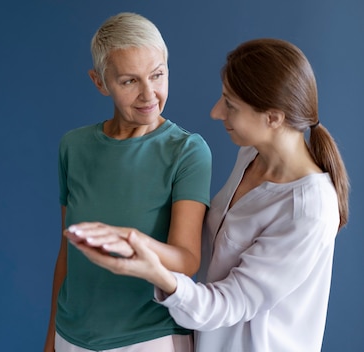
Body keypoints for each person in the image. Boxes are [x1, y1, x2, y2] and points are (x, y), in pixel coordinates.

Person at [67, 38, 350, 352]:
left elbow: (229, 304)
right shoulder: (251, 156)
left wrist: (155, 273)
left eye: (230, 104)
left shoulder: (309, 208)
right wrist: (133, 239)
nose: (216, 112)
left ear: (273, 118)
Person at [43, 12, 212, 352]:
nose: (148, 94)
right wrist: (51, 340)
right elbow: (67, 255)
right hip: (70, 336)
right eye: (129, 81)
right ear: (100, 81)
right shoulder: (73, 147)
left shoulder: (187, 151)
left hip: (149, 338)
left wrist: (133, 241)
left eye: (157, 75)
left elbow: (187, 259)